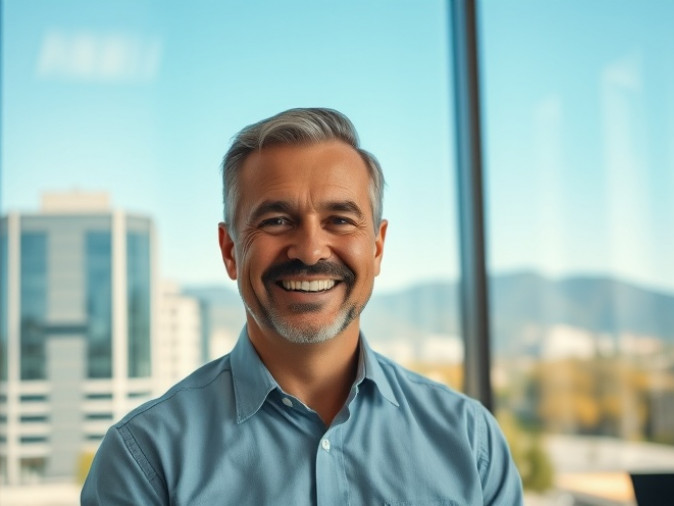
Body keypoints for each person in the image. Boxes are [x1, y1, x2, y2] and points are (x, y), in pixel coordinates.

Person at [80, 108, 524, 505]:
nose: (310, 251)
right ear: (230, 250)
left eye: (340, 220)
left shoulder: (470, 442)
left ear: (378, 247)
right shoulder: (143, 459)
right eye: (277, 220)